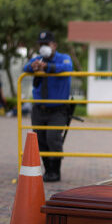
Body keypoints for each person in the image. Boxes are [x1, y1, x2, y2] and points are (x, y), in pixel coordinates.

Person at [23, 31, 73, 182]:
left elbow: (67, 67)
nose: (43, 47)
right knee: (40, 140)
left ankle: (55, 171)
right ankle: (47, 170)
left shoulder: (64, 58)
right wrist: (33, 67)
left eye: (46, 44)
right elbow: (25, 68)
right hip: (39, 109)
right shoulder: (38, 59)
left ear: (54, 45)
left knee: (53, 139)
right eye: (41, 44)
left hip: (57, 109)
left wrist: (48, 68)